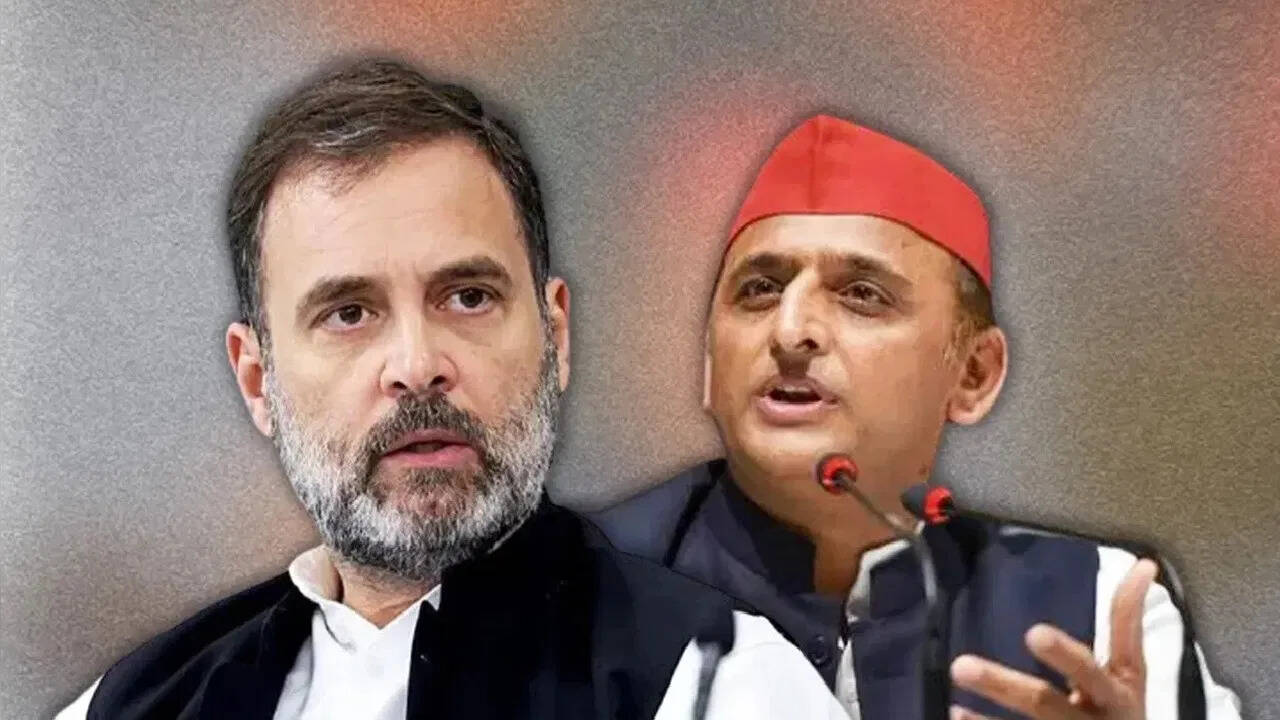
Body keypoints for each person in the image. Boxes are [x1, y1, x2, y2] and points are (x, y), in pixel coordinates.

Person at [55, 60, 848, 720]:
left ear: (555, 336)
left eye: (467, 297)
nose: (416, 363)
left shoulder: (716, 688)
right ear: (258, 380)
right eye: (349, 313)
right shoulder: (135, 704)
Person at [592, 114, 1243, 720]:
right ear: (709, 366)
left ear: (973, 375)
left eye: (861, 295)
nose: (790, 331)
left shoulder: (1097, 608)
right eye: (759, 290)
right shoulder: (578, 581)